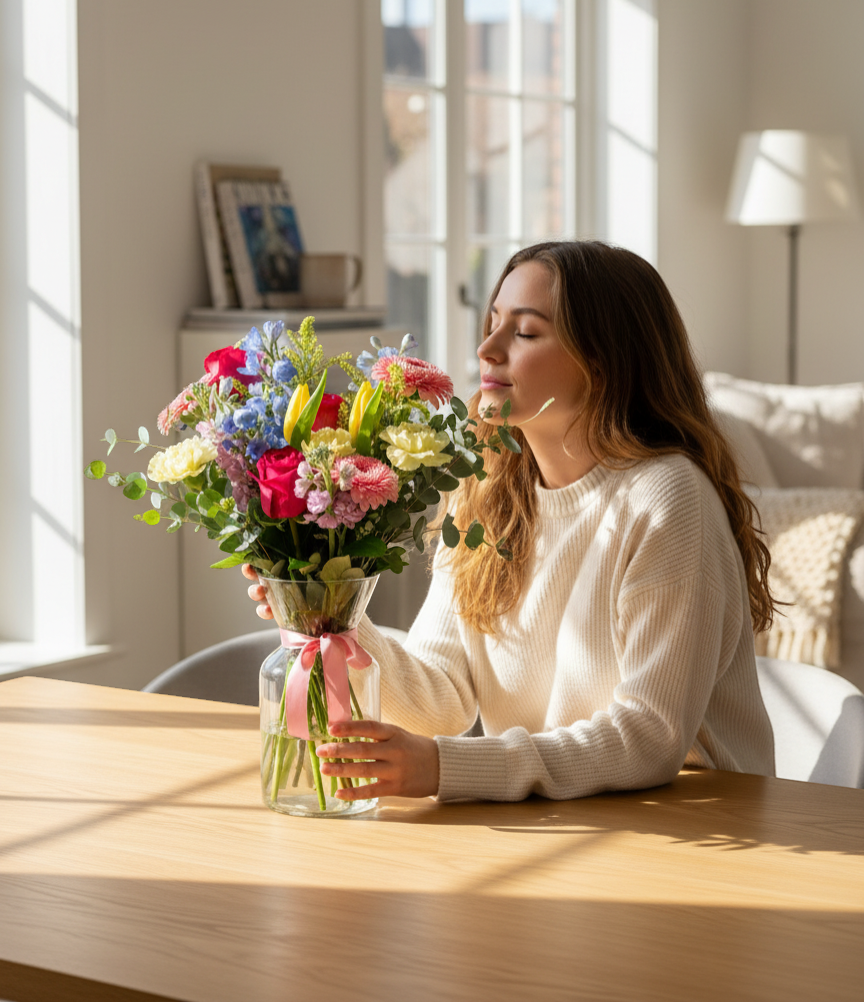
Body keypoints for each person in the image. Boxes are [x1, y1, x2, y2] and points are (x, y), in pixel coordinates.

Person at [245, 241, 776, 803]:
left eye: (524, 333)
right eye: (493, 323)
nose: (486, 349)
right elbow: (441, 698)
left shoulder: (666, 499)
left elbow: (650, 735)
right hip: (556, 824)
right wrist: (332, 615)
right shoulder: (485, 490)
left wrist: (445, 768)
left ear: (603, 360)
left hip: (696, 829)